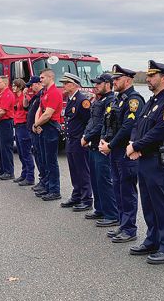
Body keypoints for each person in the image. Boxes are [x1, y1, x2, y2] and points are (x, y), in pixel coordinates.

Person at [127, 60, 164, 264]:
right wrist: (133, 143)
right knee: (149, 204)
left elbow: (159, 131)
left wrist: (136, 147)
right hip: (145, 159)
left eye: (151, 76)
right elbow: (138, 124)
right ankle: (153, 240)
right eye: (148, 76)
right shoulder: (152, 101)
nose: (148, 79)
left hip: (160, 160)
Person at [99, 65, 144, 242]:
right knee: (117, 188)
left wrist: (110, 144)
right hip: (114, 150)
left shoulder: (134, 100)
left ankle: (130, 229)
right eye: (113, 79)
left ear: (128, 80)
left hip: (124, 151)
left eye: (117, 79)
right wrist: (104, 141)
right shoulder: (118, 100)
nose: (114, 82)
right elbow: (108, 122)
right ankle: (122, 224)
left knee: (127, 190)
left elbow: (127, 128)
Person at [81, 73, 119, 224]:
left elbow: (102, 125)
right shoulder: (99, 100)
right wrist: (86, 134)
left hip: (102, 145)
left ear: (108, 84)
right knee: (95, 180)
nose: (95, 86)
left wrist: (87, 137)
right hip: (93, 145)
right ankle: (100, 209)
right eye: (95, 83)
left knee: (104, 180)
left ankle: (111, 214)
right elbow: (92, 120)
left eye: (98, 83)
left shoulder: (111, 101)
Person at [60, 72, 93, 212]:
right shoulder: (71, 99)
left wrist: (85, 138)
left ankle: (86, 199)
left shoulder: (82, 100)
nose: (63, 86)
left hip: (79, 140)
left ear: (73, 85)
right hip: (71, 139)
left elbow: (88, 121)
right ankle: (77, 195)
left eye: (66, 84)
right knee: (74, 170)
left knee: (82, 170)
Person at [33, 69, 63, 201]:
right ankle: (47, 186)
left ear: (50, 77)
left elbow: (48, 114)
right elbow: (40, 110)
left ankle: (54, 190)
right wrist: (37, 124)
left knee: (51, 161)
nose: (40, 80)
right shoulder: (45, 92)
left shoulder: (55, 93)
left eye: (42, 77)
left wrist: (36, 125)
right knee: (44, 160)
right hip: (43, 127)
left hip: (50, 128)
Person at [0, 75, 15, 180]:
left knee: (5, 147)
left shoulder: (8, 94)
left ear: (5, 84)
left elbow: (2, 111)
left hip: (5, 123)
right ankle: (1, 169)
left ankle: (9, 171)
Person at [23, 76, 45, 191]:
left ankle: (44, 181)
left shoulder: (41, 95)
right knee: (37, 155)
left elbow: (42, 112)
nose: (30, 87)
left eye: (32, 85)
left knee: (41, 157)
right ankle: (42, 180)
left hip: (37, 130)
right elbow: (26, 107)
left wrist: (36, 124)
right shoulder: (36, 96)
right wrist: (24, 95)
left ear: (37, 83)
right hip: (32, 130)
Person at [12, 78, 35, 186]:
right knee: (21, 152)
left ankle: (30, 177)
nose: (13, 87)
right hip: (17, 125)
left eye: (15, 85)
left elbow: (26, 108)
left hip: (24, 126)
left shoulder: (25, 97)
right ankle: (24, 173)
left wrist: (25, 96)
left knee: (26, 152)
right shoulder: (16, 97)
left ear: (20, 86)